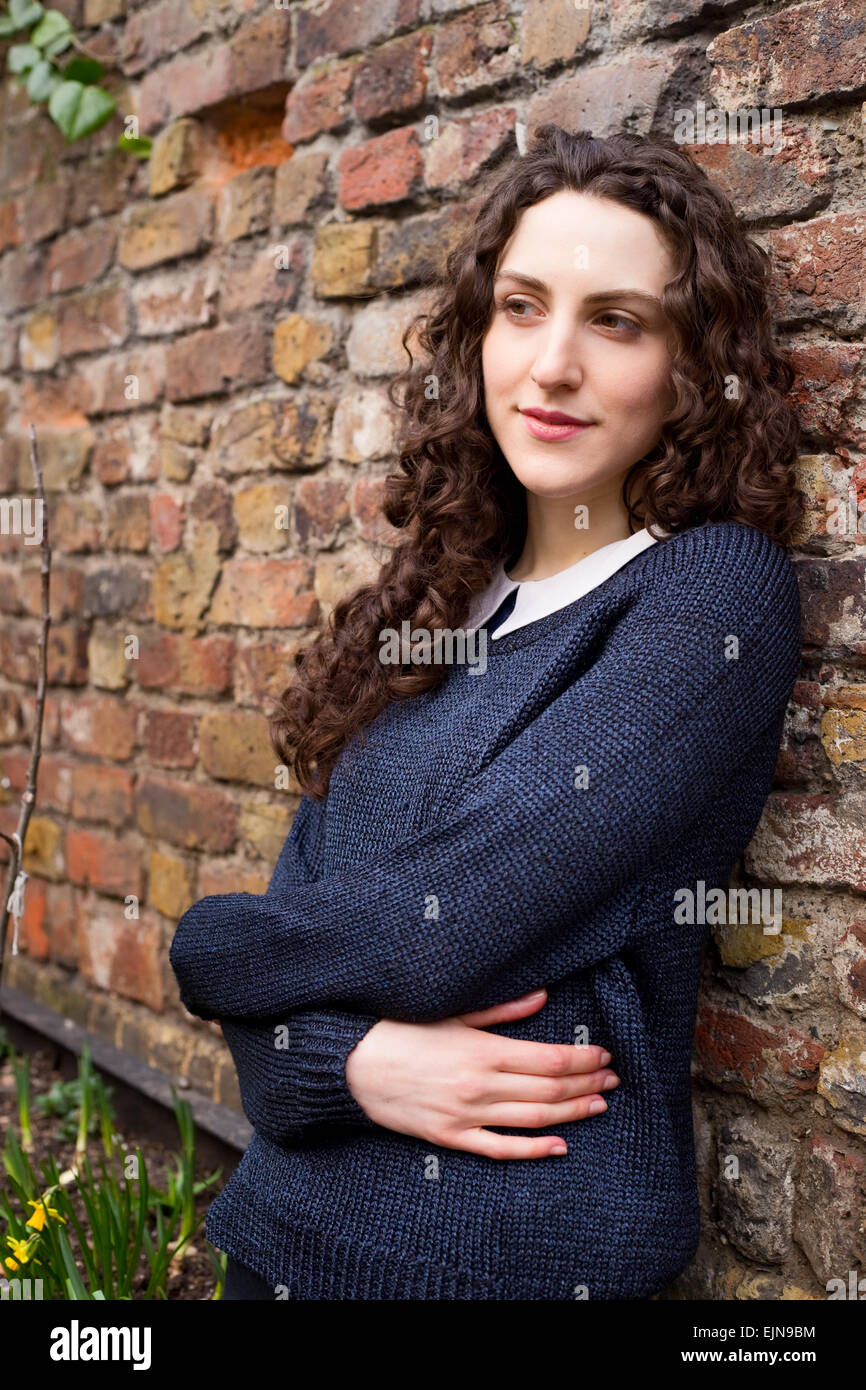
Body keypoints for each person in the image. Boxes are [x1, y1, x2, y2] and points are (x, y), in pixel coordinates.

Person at [170, 124, 804, 1301]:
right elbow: (294, 984)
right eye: (521, 307)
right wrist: (347, 1064)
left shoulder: (707, 593)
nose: (550, 364)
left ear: (687, 363)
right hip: (273, 1241)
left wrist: (205, 948)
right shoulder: (430, 605)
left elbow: (436, 932)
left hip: (505, 1265)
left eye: (614, 320)